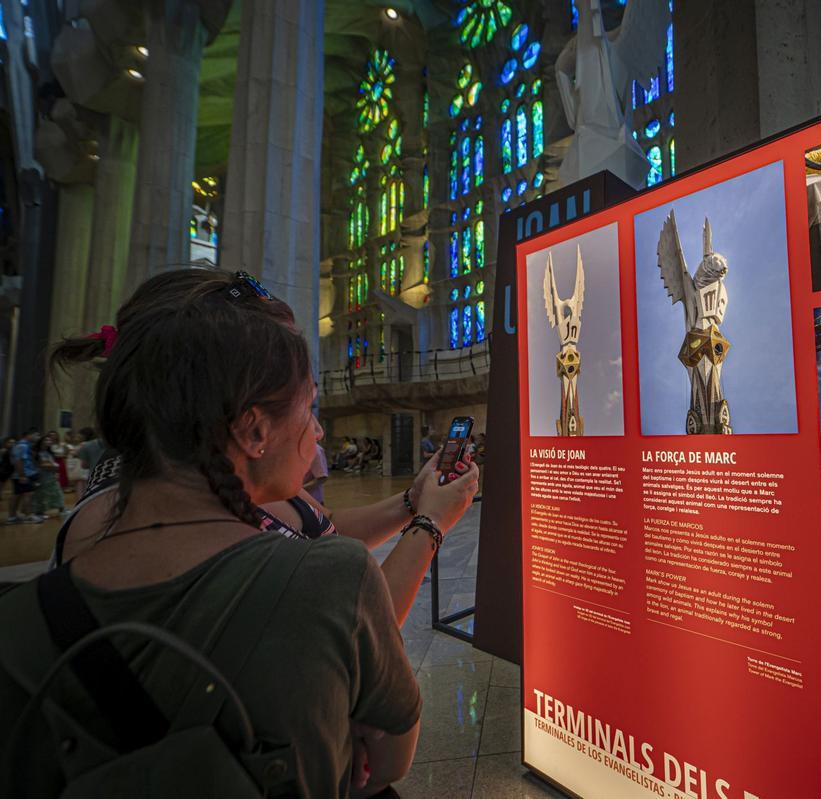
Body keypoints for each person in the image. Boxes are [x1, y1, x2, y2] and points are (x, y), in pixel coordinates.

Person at [0, 269, 478, 797]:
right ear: (252, 429)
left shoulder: (23, 615)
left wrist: (412, 501)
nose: (318, 431)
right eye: (310, 407)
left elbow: (316, 531)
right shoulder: (327, 579)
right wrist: (429, 525)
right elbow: (387, 758)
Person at [7, 429, 44, 524]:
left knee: (17, 495)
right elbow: (19, 461)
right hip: (23, 474)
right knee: (28, 494)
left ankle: (12, 517)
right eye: (36, 435)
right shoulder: (22, 446)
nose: (38, 438)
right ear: (29, 435)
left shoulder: (24, 445)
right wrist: (22, 475)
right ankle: (29, 516)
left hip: (21, 474)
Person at [32, 435, 66, 518]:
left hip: (51, 475)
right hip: (42, 476)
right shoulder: (38, 453)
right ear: (41, 442)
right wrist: (54, 466)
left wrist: (54, 468)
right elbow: (43, 465)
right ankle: (39, 512)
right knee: (41, 493)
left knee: (57, 491)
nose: (48, 442)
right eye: (46, 440)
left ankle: (61, 509)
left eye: (49, 440)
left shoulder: (49, 452)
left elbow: (50, 463)